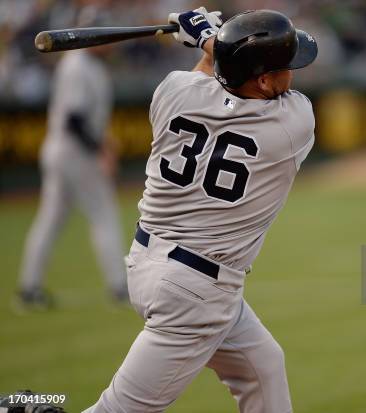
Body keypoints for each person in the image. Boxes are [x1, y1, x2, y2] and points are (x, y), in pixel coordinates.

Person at [84, 6, 317, 413]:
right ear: (263, 81)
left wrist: (210, 39)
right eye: (284, 68)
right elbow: (220, 64)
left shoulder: (172, 91)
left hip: (148, 261)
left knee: (262, 367)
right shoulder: (291, 124)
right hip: (195, 292)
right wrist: (210, 36)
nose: (292, 73)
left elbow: (212, 72)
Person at [18, 9, 127, 308]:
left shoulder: (84, 64)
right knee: (104, 215)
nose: (110, 42)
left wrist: (102, 140)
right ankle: (119, 286)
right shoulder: (79, 65)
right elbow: (74, 120)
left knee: (50, 220)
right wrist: (101, 150)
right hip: (74, 153)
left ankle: (29, 288)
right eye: (105, 36)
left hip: (61, 150)